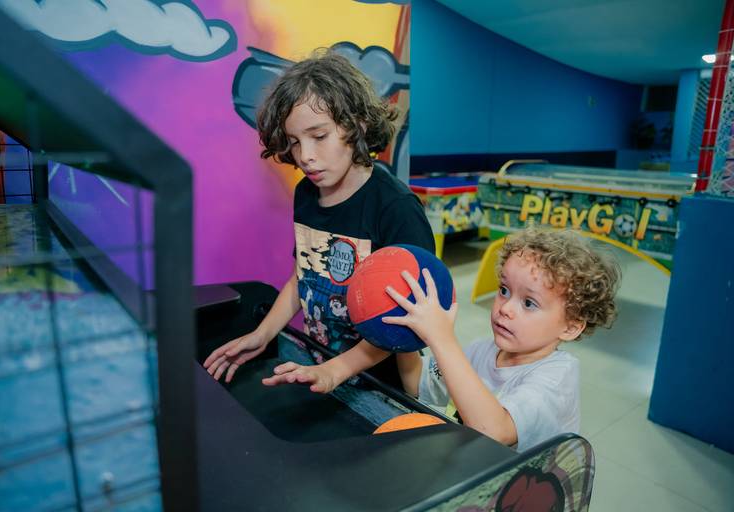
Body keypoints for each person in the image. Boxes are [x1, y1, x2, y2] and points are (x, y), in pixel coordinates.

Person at [265, 228, 620, 451]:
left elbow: (495, 430)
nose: (505, 309)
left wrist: (442, 338)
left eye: (529, 303)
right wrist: (406, 331)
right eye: (503, 291)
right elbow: (417, 384)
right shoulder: (483, 351)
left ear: (570, 327)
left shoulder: (556, 378)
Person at [203, 49, 434, 389]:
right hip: (321, 368)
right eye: (295, 142)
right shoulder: (307, 193)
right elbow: (304, 276)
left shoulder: (396, 208)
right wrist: (263, 334)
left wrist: (337, 370)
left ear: (357, 124)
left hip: (380, 387)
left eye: (319, 136)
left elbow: (408, 318)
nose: (305, 156)